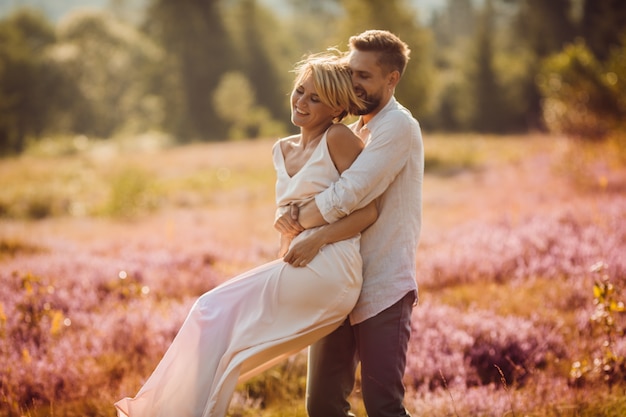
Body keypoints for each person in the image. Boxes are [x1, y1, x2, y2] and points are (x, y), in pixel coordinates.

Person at [114, 53, 378, 417]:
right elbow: (291, 216)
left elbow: (369, 211)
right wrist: (285, 224)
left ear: (336, 109)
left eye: (315, 98)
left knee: (209, 310)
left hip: (331, 268)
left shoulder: (337, 138)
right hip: (299, 263)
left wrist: (318, 237)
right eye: (300, 91)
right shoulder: (281, 149)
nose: (301, 101)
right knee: (221, 343)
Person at [275, 30, 424, 417]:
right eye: (350, 72)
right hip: (338, 281)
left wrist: (300, 222)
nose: (353, 83)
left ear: (392, 79)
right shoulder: (357, 129)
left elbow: (349, 196)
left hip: (382, 285)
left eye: (364, 76)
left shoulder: (397, 127)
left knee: (383, 405)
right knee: (323, 405)